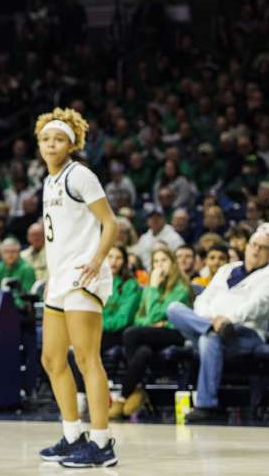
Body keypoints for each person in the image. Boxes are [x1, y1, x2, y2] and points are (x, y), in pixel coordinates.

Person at [33, 109, 119, 468]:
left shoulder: (79, 174)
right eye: (46, 139)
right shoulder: (48, 181)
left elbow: (110, 223)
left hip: (84, 274)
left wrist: (97, 261)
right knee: (52, 359)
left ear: (71, 144)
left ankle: (102, 443)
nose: (51, 145)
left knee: (86, 358)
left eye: (59, 139)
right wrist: (51, 277)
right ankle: (72, 436)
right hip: (60, 278)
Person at [166, 224, 269, 424]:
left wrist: (227, 319)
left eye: (263, 248)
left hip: (245, 332)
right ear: (247, 246)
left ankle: (207, 406)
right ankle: (208, 330)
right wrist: (211, 321)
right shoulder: (226, 269)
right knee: (174, 309)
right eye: (254, 245)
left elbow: (257, 306)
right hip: (211, 324)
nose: (256, 250)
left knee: (208, 340)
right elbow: (203, 299)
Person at [111, 247, 193, 419]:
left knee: (130, 334)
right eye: (155, 262)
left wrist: (154, 288)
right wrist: (151, 322)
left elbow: (153, 315)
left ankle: (124, 395)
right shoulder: (149, 287)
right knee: (143, 352)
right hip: (153, 334)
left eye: (164, 260)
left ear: (173, 263)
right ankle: (135, 392)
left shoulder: (181, 288)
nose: (159, 265)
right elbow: (139, 318)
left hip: (175, 332)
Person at [0, 236, 39, 398]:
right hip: (1, 317)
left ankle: (29, 389)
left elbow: (27, 296)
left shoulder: (27, 269)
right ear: (1, 253)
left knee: (29, 350)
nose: (10, 255)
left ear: (19, 252)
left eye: (13, 251)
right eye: (6, 252)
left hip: (23, 318)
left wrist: (9, 304)